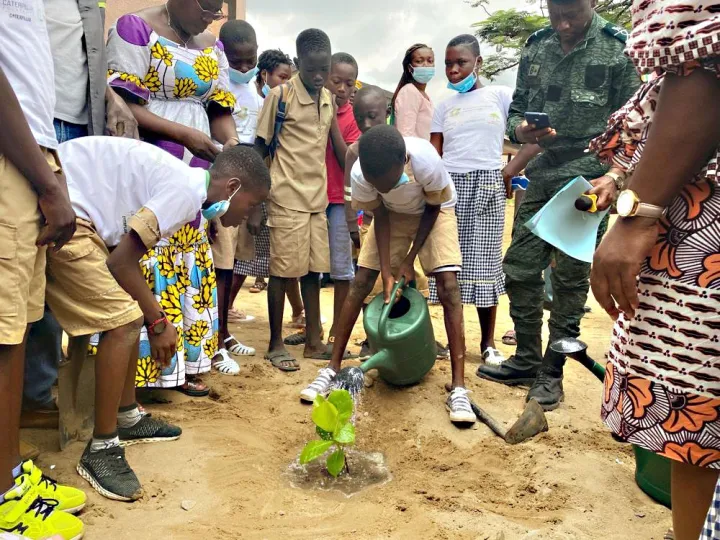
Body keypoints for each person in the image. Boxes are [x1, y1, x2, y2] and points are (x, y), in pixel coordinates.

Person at [53, 138, 269, 503]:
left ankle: (125, 416)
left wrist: (152, 315)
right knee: (124, 321)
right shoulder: (184, 191)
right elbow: (120, 262)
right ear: (233, 188)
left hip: (79, 210)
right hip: (66, 213)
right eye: (252, 204)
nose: (249, 215)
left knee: (133, 311)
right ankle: (102, 449)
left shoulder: (187, 189)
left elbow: (127, 260)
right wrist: (158, 322)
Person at [588, 2, 720, 537]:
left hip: (699, 225)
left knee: (696, 402)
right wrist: (623, 182)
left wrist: (638, 215)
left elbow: (703, 70)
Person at [476, 0, 641, 411]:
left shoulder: (618, 48)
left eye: (572, 13)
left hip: (590, 176)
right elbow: (516, 110)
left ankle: (552, 373)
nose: (564, 23)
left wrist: (617, 178)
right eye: (556, 13)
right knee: (518, 268)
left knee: (569, 279)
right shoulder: (537, 46)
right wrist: (523, 129)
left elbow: (636, 124)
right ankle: (527, 359)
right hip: (545, 169)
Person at [301, 125, 476, 426]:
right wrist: (386, 270)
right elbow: (380, 215)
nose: (382, 188)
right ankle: (331, 369)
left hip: (433, 212)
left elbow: (434, 209)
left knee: (449, 287)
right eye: (376, 185)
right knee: (361, 282)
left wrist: (409, 261)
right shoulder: (360, 174)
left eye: (389, 182)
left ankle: (459, 388)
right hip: (391, 216)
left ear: (404, 161)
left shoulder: (426, 161)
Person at [106, 0, 240, 392]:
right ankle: (137, 379)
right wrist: (182, 135)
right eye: (206, 6)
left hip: (199, 166)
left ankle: (176, 369)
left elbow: (219, 111)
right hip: (150, 159)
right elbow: (124, 105)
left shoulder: (212, 46)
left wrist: (229, 141)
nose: (210, 16)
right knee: (146, 252)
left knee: (187, 256)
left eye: (217, 9)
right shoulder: (134, 28)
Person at [21, 0, 140, 433]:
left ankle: (39, 392)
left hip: (77, 125)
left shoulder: (90, 4)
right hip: (29, 126)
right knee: (25, 262)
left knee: (54, 259)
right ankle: (32, 397)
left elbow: (83, 64)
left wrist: (110, 99)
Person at [0, 0, 85, 535]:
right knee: (3, 334)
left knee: (18, 328)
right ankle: (5, 497)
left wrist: (50, 172)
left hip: (31, 153)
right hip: (14, 159)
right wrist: (48, 182)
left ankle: (9, 470)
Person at [430, 34, 514, 365]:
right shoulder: (444, 107)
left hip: (488, 187)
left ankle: (489, 343)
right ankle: (457, 342)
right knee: (451, 267)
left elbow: (526, 133)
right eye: (448, 63)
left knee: (487, 266)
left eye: (460, 62)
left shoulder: (501, 96)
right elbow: (435, 153)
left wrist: (510, 172)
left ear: (478, 62)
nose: (453, 69)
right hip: (451, 189)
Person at [254, 28, 334, 371]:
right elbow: (259, 148)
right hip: (286, 197)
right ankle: (275, 344)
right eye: (312, 69)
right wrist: (256, 203)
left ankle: (314, 341)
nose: (318, 76)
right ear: (298, 63)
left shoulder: (328, 97)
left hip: (318, 202)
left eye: (324, 69)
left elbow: (334, 147)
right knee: (283, 273)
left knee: (314, 273)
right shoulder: (280, 96)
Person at [231, 49, 305, 327]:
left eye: (290, 78)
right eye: (282, 78)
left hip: (271, 186)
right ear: (265, 76)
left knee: (268, 256)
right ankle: (224, 309)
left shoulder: (278, 104)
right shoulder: (262, 104)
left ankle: (298, 311)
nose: (287, 84)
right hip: (257, 187)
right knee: (246, 253)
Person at [207, 18, 260, 360]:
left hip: (245, 191)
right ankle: (215, 335)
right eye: (236, 60)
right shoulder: (218, 86)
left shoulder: (254, 94)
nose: (243, 67)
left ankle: (223, 331)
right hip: (223, 187)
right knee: (219, 266)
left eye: (250, 60)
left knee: (232, 264)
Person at [324, 53, 362, 353]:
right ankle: (311, 326)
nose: (342, 89)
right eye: (336, 81)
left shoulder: (353, 118)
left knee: (341, 270)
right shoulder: (311, 108)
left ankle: (337, 331)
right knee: (308, 268)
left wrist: (331, 120)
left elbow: (344, 155)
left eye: (349, 84)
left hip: (339, 200)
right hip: (310, 197)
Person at [391, 43, 435, 140]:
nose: (426, 65)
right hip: (414, 154)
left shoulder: (425, 96)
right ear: (410, 68)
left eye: (430, 61)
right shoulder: (409, 91)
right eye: (419, 61)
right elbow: (406, 135)